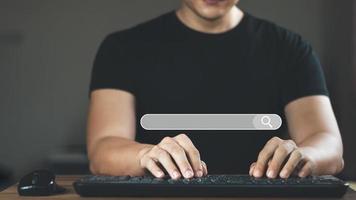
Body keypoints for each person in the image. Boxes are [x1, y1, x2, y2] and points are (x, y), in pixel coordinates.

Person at [86, 0, 344, 180]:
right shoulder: (122, 49)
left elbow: (328, 144)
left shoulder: (291, 50)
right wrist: (145, 155)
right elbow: (103, 150)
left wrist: (304, 155)